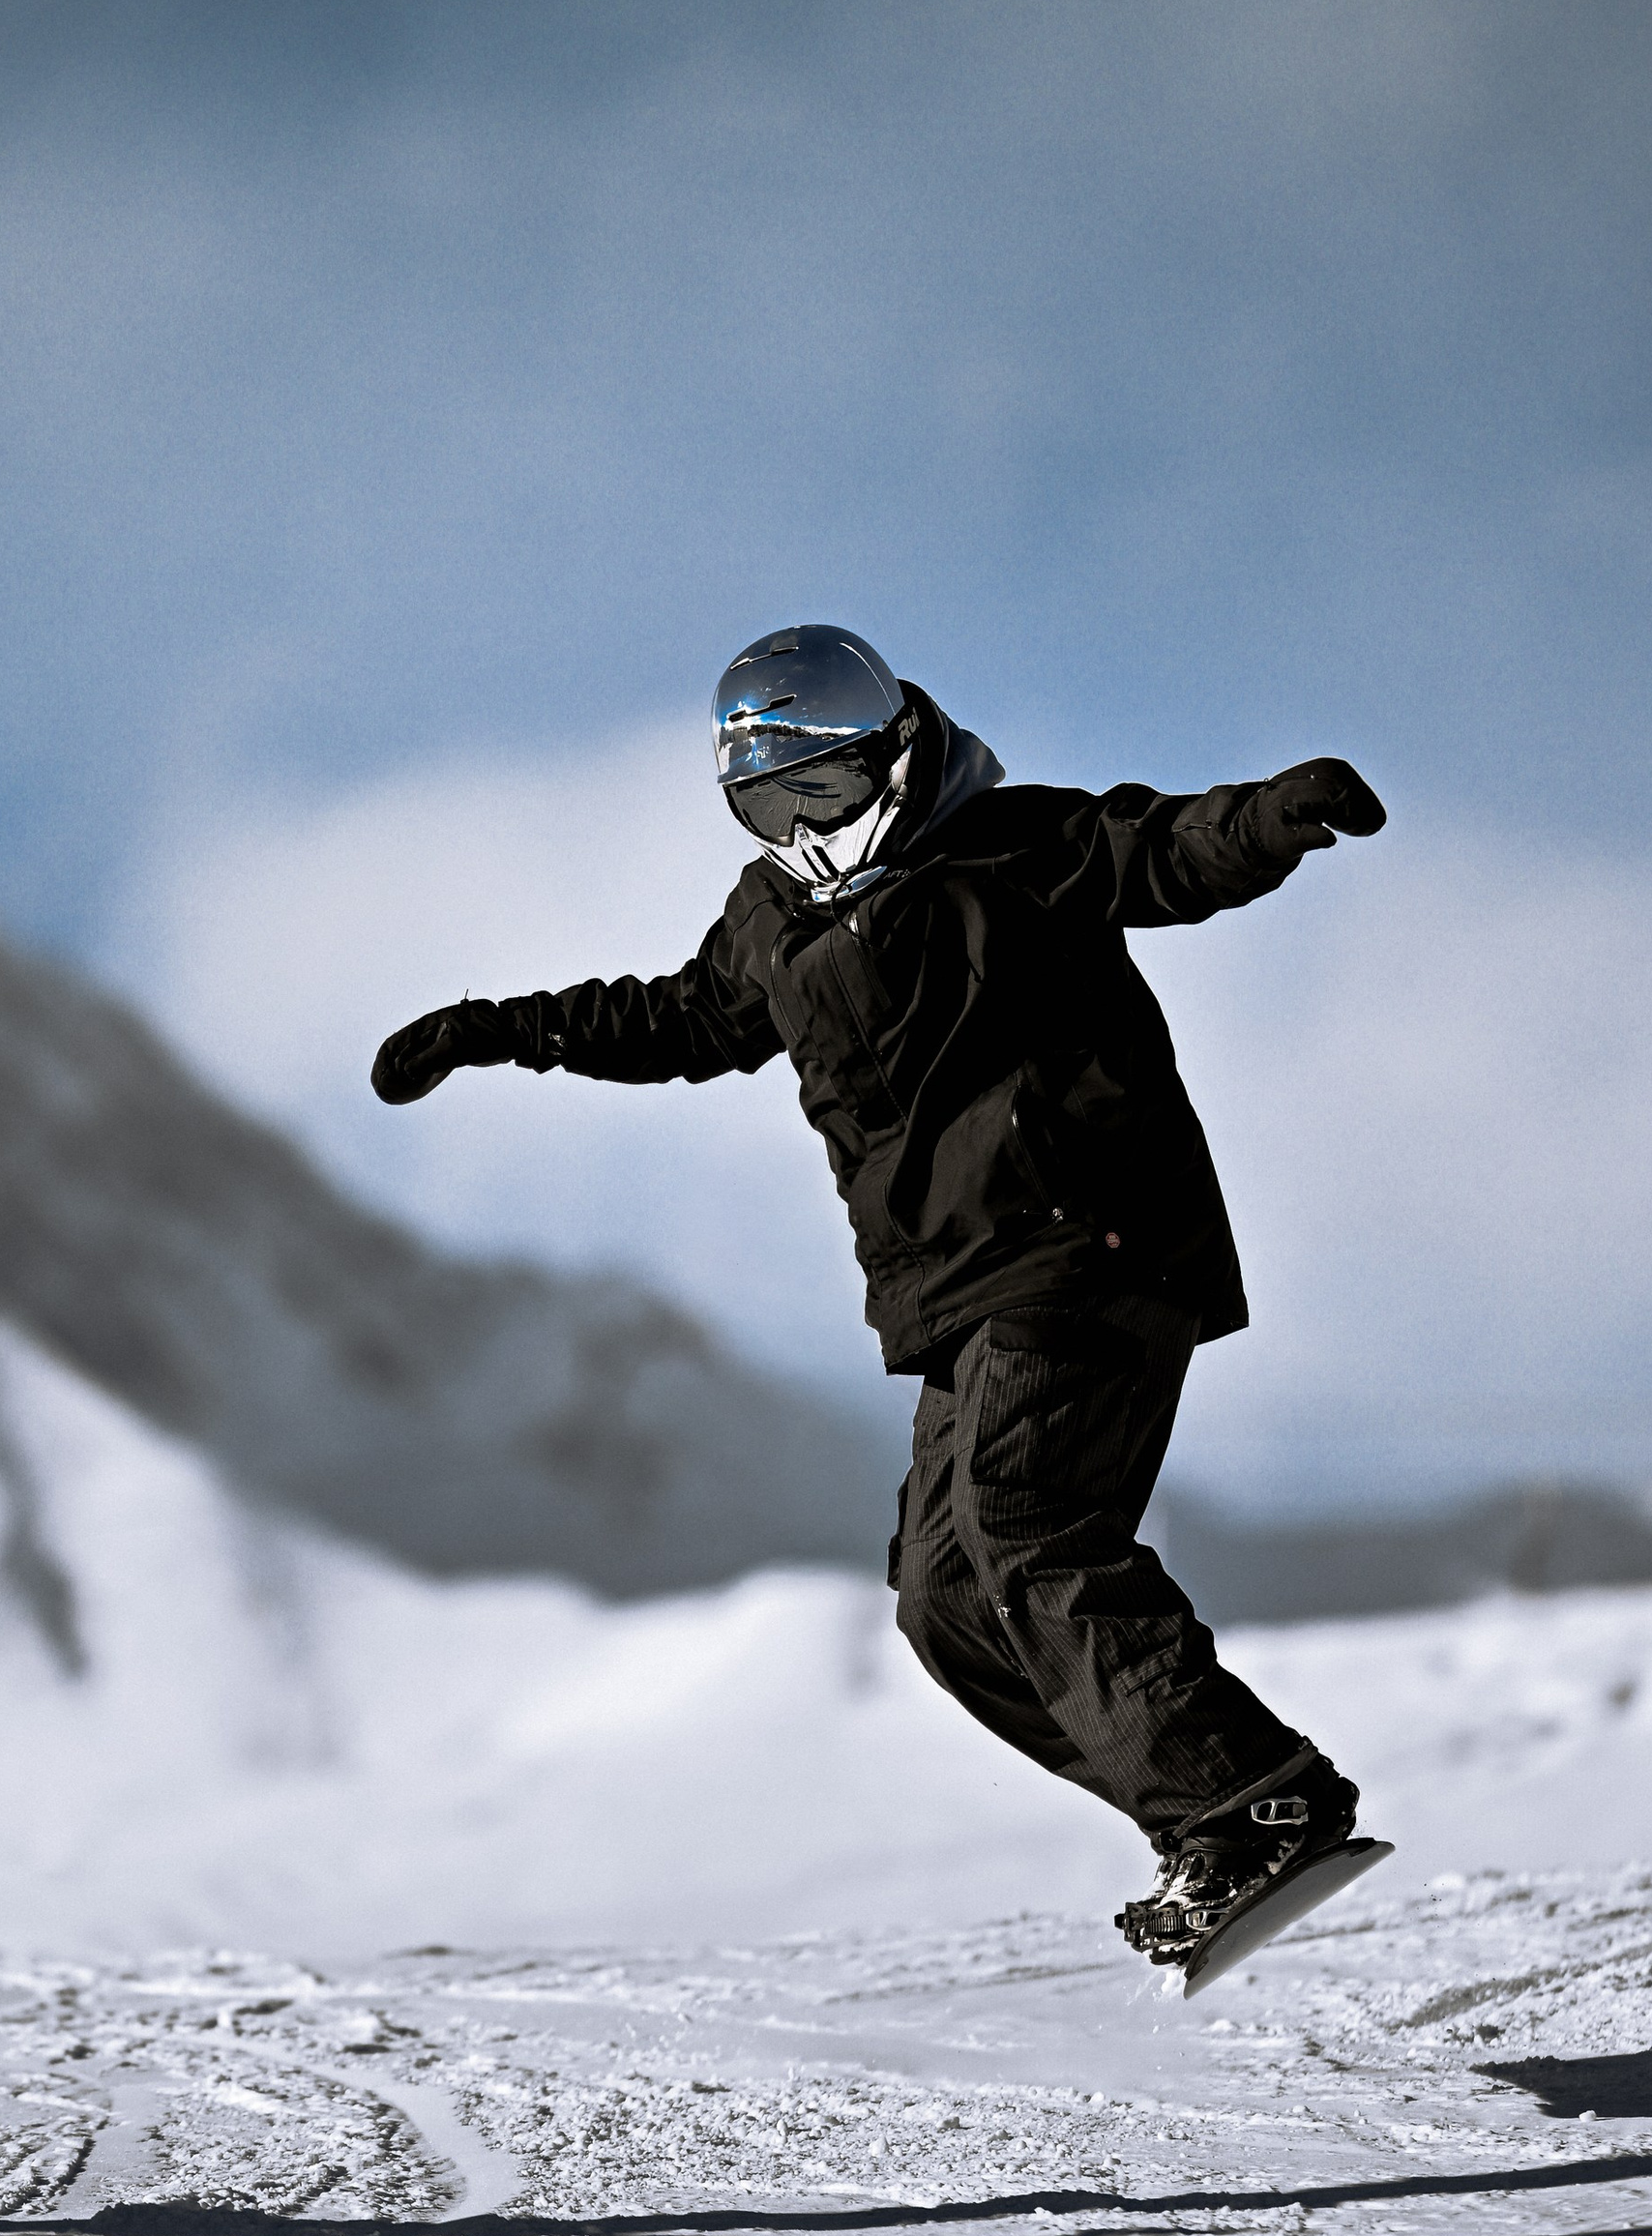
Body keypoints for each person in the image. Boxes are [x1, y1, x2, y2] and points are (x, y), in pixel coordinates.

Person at [369, 624, 1386, 1971]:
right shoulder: (770, 925)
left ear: (895, 756)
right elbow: (676, 1021)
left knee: (1025, 1524)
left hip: (1088, 1244)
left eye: (824, 792)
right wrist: (501, 1029)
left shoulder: (1014, 848)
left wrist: (1274, 815)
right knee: (944, 1599)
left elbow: (1165, 850)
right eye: (765, 802)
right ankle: (1207, 1819)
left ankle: (1257, 1799)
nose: (804, 827)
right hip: (957, 1296)